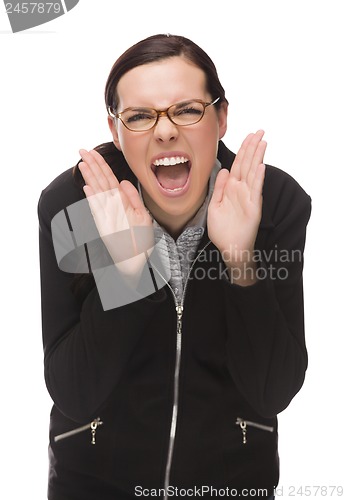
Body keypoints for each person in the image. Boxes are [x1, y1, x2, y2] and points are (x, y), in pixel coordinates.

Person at [38, 34, 311, 500]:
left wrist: (240, 259)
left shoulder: (276, 203)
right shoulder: (74, 206)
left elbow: (273, 391)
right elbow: (73, 392)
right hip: (95, 484)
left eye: (187, 110)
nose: (164, 131)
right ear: (116, 130)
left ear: (222, 118)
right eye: (140, 116)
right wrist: (125, 270)